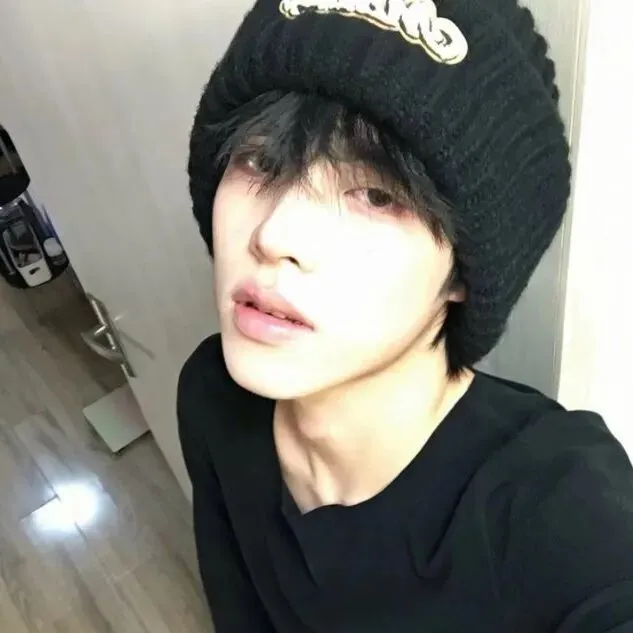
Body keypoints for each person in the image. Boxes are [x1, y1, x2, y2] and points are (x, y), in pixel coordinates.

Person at [178, 1, 633, 631]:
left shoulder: (556, 514)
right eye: (260, 161)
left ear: (464, 274)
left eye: (376, 195)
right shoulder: (212, 396)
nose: (273, 235)